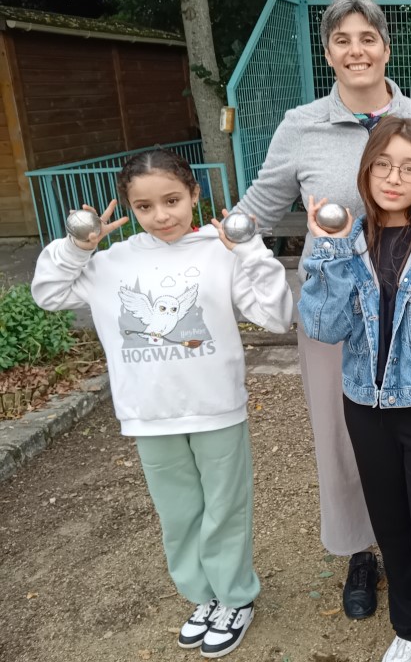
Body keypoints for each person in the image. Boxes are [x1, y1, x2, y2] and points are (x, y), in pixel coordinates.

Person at [234, 0, 411, 618]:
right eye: (342, 40)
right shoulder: (301, 125)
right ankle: (360, 552)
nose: (356, 50)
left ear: (386, 47)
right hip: (335, 307)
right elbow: (257, 209)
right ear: (327, 53)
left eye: (367, 37)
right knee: (342, 434)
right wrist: (198, 243)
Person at [32, 149, 293, 659]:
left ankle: (235, 598)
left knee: (226, 508)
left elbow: (277, 316)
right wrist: (77, 247)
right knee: (178, 514)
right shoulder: (109, 263)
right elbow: (49, 293)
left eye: (172, 200)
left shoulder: (220, 252)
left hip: (216, 407)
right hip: (149, 413)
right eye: (145, 206)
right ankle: (203, 596)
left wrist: (250, 251)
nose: (161, 215)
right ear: (129, 207)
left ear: (194, 194)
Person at [297, 116, 411, 662]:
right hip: (367, 408)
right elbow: (324, 326)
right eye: (382, 165)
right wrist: (328, 253)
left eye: (409, 168)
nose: (393, 178)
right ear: (366, 171)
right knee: (394, 534)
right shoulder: (346, 240)